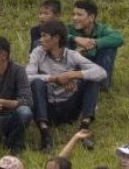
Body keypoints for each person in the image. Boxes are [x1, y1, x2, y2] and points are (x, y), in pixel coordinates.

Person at [26, 20, 105, 151]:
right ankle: (45, 134)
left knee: (92, 80)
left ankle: (84, 130)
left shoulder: (72, 55)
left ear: (56, 38)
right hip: (48, 107)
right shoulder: (37, 53)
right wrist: (54, 78)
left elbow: (101, 72)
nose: (41, 39)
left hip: (69, 107)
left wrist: (72, 75)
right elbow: (27, 77)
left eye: (44, 36)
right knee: (37, 83)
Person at [67, 0, 124, 91]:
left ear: (91, 17)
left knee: (109, 47)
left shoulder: (102, 29)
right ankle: (69, 80)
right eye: (73, 14)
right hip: (75, 72)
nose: (75, 18)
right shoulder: (69, 29)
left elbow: (118, 38)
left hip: (97, 67)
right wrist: (76, 39)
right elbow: (55, 34)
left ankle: (102, 84)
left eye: (79, 15)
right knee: (62, 40)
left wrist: (94, 44)